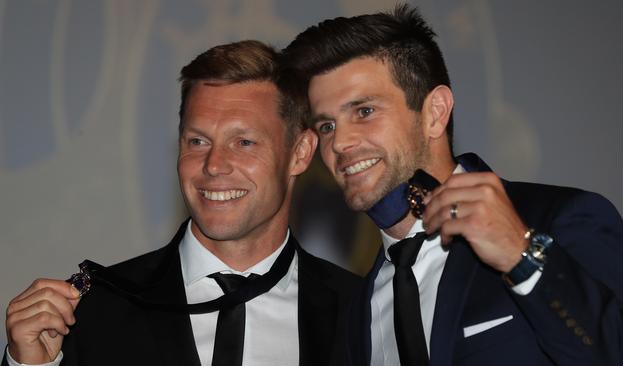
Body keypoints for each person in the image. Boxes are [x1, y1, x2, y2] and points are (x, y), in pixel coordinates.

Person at [279, 4, 623, 365]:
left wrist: (523, 258)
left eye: (364, 111)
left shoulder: (559, 220)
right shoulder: (360, 309)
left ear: (435, 113)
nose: (339, 143)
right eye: (326, 125)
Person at [4, 40, 361, 366]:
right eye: (197, 141)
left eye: (244, 142)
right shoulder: (91, 310)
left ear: (300, 153)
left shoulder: (363, 311)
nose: (214, 165)